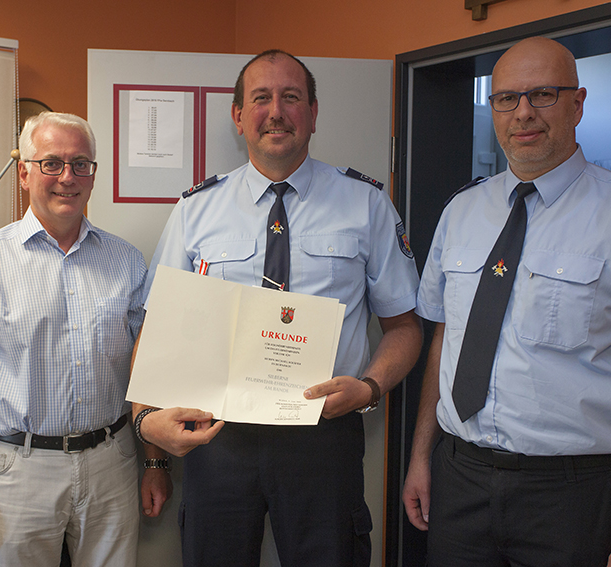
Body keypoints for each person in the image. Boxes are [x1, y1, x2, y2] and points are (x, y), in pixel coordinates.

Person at [131, 49, 423, 567]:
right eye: (260, 98)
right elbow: (159, 327)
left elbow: (404, 326)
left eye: (291, 97)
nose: (276, 111)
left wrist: (370, 387)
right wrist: (147, 424)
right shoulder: (196, 209)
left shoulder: (367, 204)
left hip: (323, 437)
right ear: (238, 115)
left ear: (313, 112)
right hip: (215, 436)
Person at [403, 36, 611, 567]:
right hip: (461, 479)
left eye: (543, 95)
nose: (523, 112)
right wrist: (422, 458)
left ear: (577, 104)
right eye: (506, 98)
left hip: (577, 494)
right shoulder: (461, 210)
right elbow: (447, 342)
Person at [0, 112, 171, 567]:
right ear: (24, 172)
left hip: (112, 462)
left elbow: (146, 371)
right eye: (51, 163)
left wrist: (155, 463)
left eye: (81, 164)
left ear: (93, 175)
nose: (67, 177)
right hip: (17, 471)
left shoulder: (127, 261)